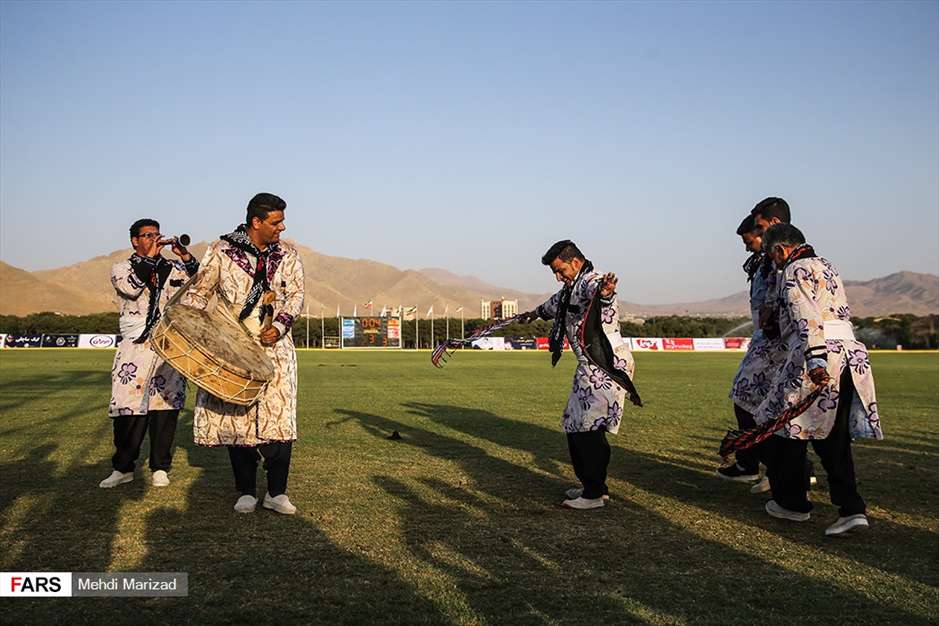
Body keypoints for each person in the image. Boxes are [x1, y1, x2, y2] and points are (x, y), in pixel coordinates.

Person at [755, 223, 883, 536]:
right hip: (850, 357)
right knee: (833, 436)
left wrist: (815, 361)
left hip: (817, 356)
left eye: (772, 257)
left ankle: (792, 502)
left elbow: (806, 317)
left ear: (779, 251)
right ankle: (851, 508)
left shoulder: (794, 270)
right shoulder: (827, 266)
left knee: (779, 425)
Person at [182, 193, 304, 514]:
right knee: (238, 417)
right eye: (276, 222)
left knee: (279, 415)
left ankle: (276, 492)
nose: (282, 227)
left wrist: (279, 326)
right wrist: (186, 326)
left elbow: (295, 295)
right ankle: (246, 491)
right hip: (233, 346)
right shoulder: (221, 252)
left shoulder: (288, 254)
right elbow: (200, 290)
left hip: (275, 347)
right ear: (256, 222)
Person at [518, 240, 641, 510]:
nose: (558, 277)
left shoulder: (590, 281)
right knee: (575, 423)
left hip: (604, 364)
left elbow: (601, 292)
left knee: (588, 428)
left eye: (560, 270)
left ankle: (595, 493)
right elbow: (550, 307)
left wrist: (606, 292)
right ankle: (592, 485)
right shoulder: (568, 290)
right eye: (554, 273)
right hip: (588, 364)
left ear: (575, 262)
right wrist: (529, 314)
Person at [100, 219, 198, 489]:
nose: (154, 239)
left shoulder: (174, 267)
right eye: (147, 235)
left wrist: (185, 256)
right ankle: (123, 467)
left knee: (165, 407)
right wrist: (151, 259)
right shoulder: (121, 268)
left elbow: (200, 283)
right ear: (135, 240)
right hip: (135, 347)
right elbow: (130, 287)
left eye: (157, 234)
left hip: (169, 344)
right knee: (128, 407)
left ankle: (160, 467)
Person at [720, 213, 789, 486]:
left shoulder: (782, 262)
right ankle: (758, 464)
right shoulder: (763, 263)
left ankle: (770, 467)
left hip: (777, 344)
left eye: (751, 240)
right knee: (753, 402)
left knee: (755, 402)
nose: (748, 247)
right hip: (765, 341)